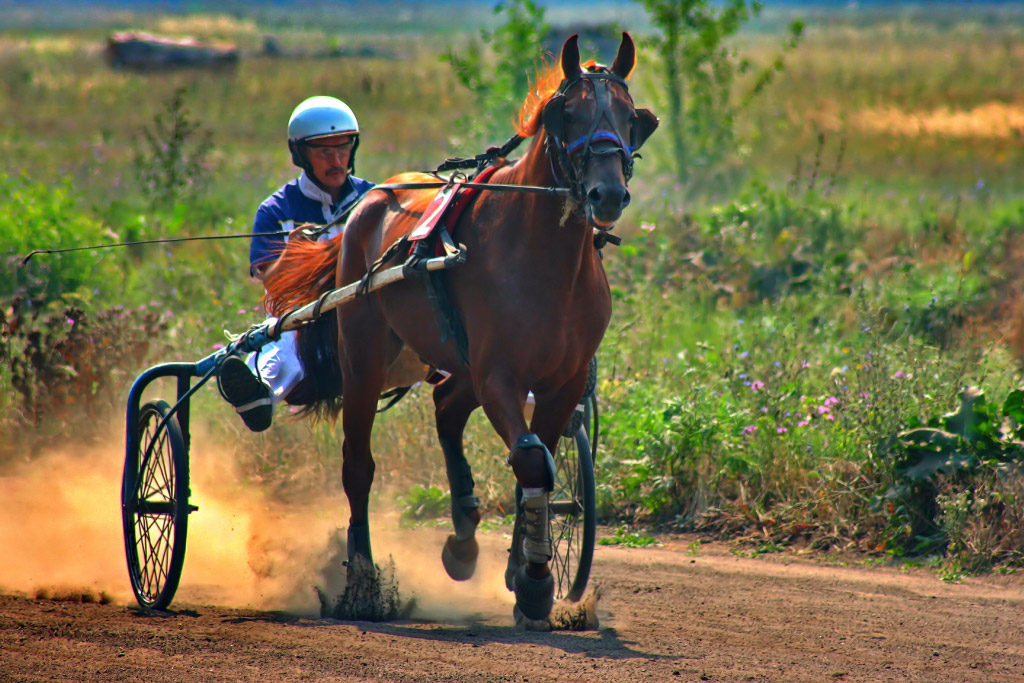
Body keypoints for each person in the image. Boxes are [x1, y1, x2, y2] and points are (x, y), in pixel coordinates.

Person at [218, 95, 375, 432]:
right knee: (284, 338)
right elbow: (272, 285)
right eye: (323, 153)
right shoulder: (275, 211)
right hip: (306, 318)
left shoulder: (373, 201)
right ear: (301, 155)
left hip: (369, 311)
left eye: (343, 149)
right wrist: (292, 253)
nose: (336, 161)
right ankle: (258, 394)